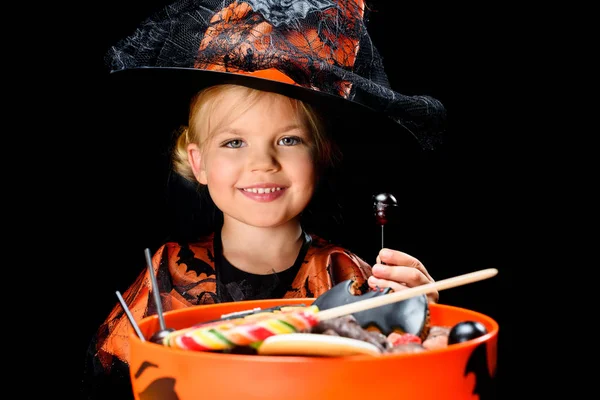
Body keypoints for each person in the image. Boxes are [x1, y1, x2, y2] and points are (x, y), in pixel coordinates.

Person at [82, 0, 446, 398]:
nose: (262, 164)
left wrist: (422, 319)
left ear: (321, 154)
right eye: (234, 142)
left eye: (288, 140)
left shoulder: (347, 276)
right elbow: (118, 382)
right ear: (199, 163)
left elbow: (398, 383)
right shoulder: (167, 273)